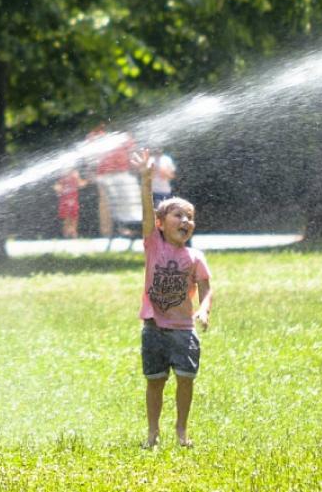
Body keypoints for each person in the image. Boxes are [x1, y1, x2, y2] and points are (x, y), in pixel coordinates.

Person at [131, 148, 212, 449]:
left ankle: (181, 431)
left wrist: (204, 309)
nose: (185, 220)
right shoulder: (153, 244)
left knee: (186, 378)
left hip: (183, 330)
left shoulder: (195, 256)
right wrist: (146, 180)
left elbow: (206, 287)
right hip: (154, 327)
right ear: (161, 223)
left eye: (190, 217)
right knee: (155, 380)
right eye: (178, 214)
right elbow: (146, 211)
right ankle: (153, 432)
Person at [53, 169, 87, 239]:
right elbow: (57, 187)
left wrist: (80, 178)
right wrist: (58, 188)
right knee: (66, 218)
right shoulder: (62, 177)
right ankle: (67, 234)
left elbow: (81, 184)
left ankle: (73, 232)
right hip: (64, 202)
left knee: (74, 218)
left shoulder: (74, 176)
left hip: (73, 201)